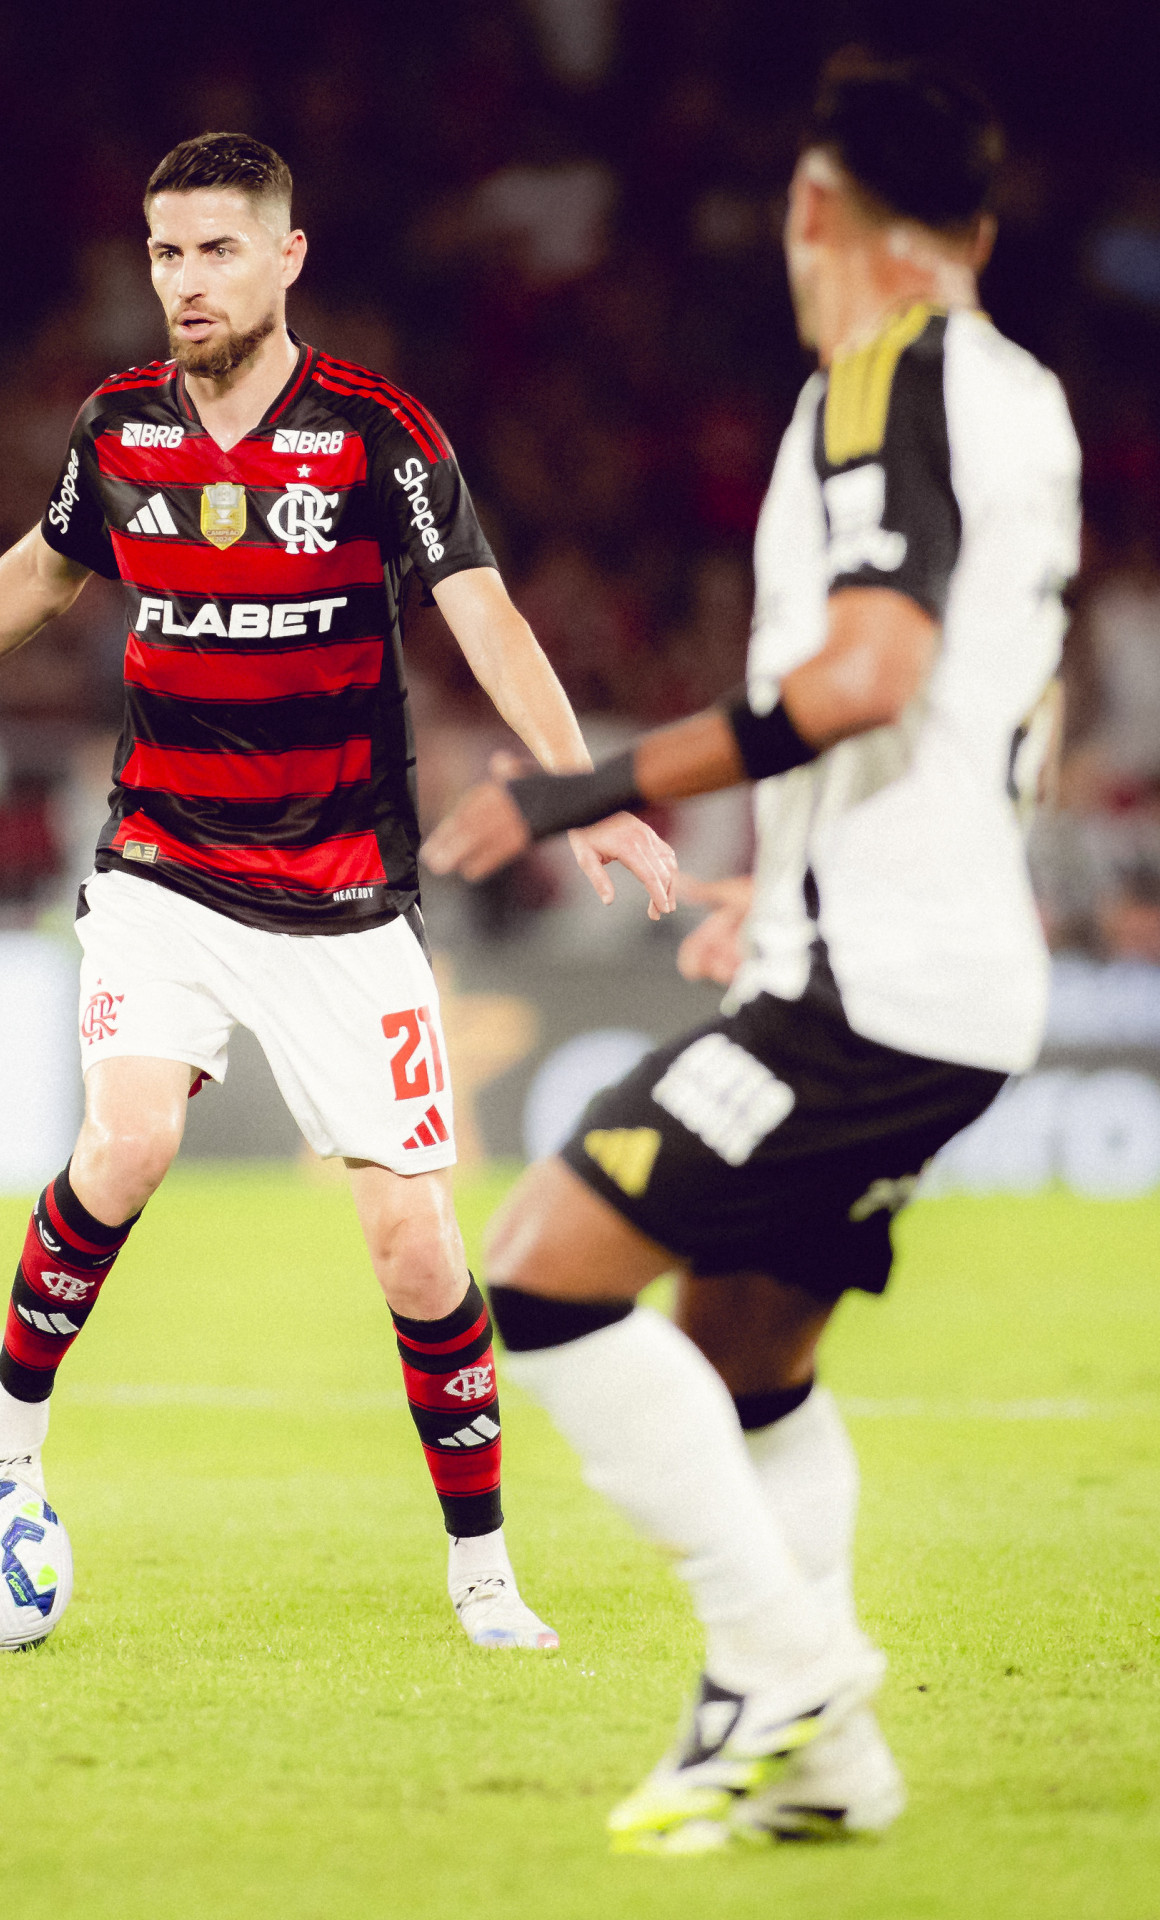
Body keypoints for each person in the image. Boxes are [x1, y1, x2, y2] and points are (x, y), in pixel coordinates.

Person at [0, 132, 675, 1651]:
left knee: (415, 1246)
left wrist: (582, 794)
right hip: (161, 862)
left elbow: (483, 615)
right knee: (131, 1136)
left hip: (345, 891)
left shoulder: (377, 433)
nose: (186, 281)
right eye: (166, 253)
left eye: (217, 250)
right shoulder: (117, 432)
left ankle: (483, 1572)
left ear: (288, 258)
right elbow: (45, 570)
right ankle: (8, 1433)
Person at [425, 55, 1080, 1838]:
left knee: (544, 1273)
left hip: (877, 985)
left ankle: (778, 1668)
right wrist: (784, 876)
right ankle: (835, 1778)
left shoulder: (882, 374)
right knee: (742, 1346)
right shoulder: (1027, 398)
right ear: (982, 229)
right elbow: (977, 714)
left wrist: (579, 793)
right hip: (927, 957)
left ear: (813, 209)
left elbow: (865, 673)